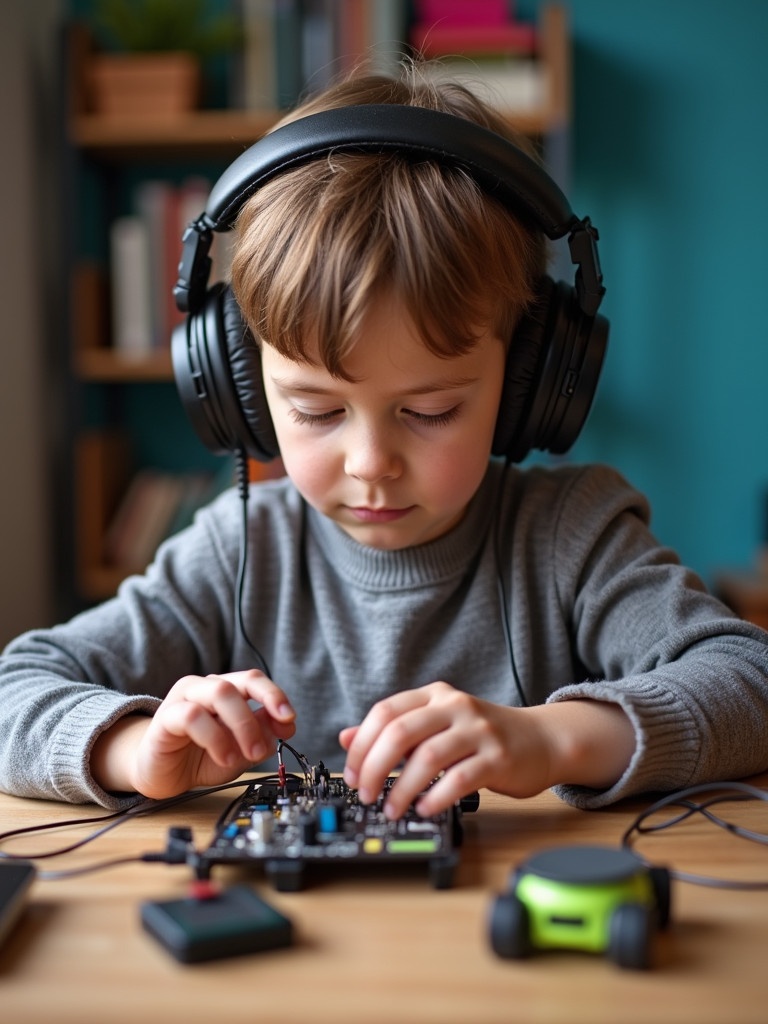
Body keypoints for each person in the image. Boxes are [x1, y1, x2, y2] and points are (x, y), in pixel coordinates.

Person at [2, 66, 768, 822]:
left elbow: (749, 681)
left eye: (430, 410)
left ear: (528, 380)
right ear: (242, 386)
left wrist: (551, 740)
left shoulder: (574, 540)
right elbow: (16, 690)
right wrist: (137, 749)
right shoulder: (238, 550)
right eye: (316, 409)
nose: (371, 463)